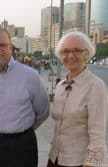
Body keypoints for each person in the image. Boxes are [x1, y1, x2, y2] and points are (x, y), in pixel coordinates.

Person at [0, 27, 50, 167]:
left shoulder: (30, 76)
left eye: (3, 45)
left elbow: (43, 111)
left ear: (10, 48)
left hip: (21, 146)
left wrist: (22, 132)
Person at [47, 31, 108, 167]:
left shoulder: (95, 86)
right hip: (55, 158)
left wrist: (90, 164)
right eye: (65, 51)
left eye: (77, 51)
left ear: (86, 54)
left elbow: (97, 134)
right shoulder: (61, 86)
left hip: (79, 162)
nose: (70, 56)